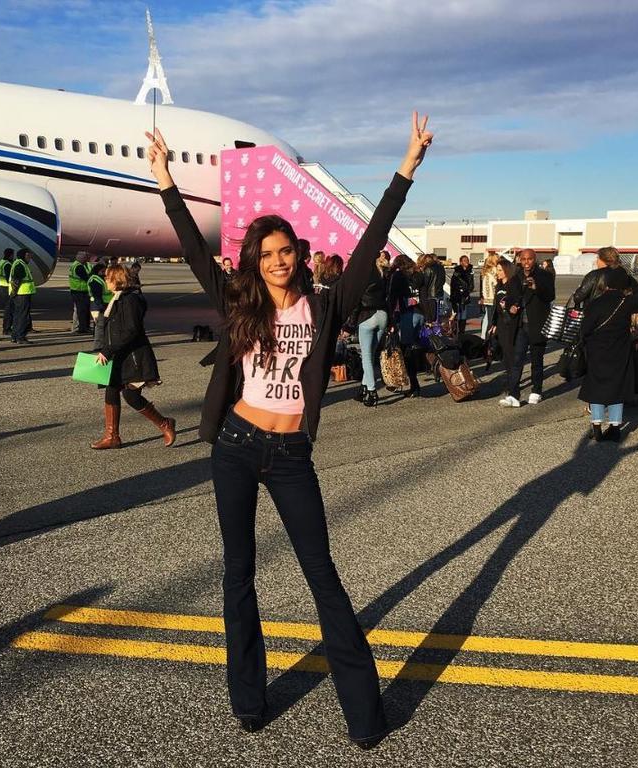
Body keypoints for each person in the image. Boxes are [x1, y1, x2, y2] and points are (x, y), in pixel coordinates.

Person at [146, 111, 432, 748]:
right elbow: (194, 248)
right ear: (254, 259)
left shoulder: (326, 303)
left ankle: (364, 714)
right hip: (237, 447)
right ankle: (249, 698)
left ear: (300, 254)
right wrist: (165, 181)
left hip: (292, 452)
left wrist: (405, 168)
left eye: (286, 252)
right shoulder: (238, 301)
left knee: (322, 576)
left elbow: (370, 241)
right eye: (266, 254)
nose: (277, 262)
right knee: (238, 574)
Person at [92, 264, 176, 449]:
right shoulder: (117, 298)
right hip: (118, 355)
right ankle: (112, 436)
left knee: (131, 396)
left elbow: (131, 330)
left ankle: (164, 423)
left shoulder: (131, 300)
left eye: (108, 278)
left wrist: (108, 350)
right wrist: (102, 348)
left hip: (133, 356)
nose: (106, 281)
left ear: (117, 279)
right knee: (111, 390)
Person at [579, 267, 638, 442]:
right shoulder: (627, 302)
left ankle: (597, 426)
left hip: (597, 350)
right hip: (620, 351)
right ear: (623, 284)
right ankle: (615, 427)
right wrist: (630, 281)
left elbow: (585, 329)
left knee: (597, 387)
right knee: (618, 388)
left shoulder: (596, 303)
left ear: (606, 283)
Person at [499, 248, 555, 407]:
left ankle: (536, 391)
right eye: (523, 259)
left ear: (534, 259)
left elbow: (550, 295)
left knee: (537, 360)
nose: (526, 263)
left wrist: (536, 288)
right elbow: (509, 298)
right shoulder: (515, 277)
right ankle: (514, 394)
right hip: (520, 325)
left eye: (529, 259)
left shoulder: (544, 275)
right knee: (517, 360)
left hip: (537, 324)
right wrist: (510, 307)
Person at [350, 250, 390, 406]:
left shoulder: (362, 277)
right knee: (371, 355)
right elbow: (388, 300)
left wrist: (350, 324)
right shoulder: (383, 277)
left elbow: (357, 302)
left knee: (365, 356)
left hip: (367, 316)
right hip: (383, 315)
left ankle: (371, 391)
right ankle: (364, 388)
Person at [387, 253, 424, 396]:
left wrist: (390, 317)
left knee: (405, 350)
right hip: (420, 312)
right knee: (416, 347)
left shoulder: (398, 276)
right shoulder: (418, 274)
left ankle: (413, 384)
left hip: (406, 314)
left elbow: (392, 297)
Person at [487, 258, 518, 395]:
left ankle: (513, 383)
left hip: (510, 323)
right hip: (500, 322)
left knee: (510, 354)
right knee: (504, 353)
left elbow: (517, 301)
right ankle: (509, 378)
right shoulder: (499, 285)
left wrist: (512, 307)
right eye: (497, 270)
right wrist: (493, 324)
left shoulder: (513, 284)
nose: (497, 273)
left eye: (500, 270)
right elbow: (495, 307)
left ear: (507, 271)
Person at [9, 248, 36, 344]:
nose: (30, 258)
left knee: (17, 315)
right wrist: (14, 292)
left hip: (21, 294)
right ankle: (21, 337)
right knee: (23, 316)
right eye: (28, 256)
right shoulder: (20, 265)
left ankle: (15, 336)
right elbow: (16, 280)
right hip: (22, 294)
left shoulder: (19, 263)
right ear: (23, 255)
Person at [89, 261, 112, 352]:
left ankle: (101, 344)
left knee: (101, 326)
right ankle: (98, 345)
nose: (104, 273)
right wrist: (101, 307)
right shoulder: (95, 280)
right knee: (100, 326)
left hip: (103, 305)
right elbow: (97, 295)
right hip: (98, 306)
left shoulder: (100, 279)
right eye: (103, 271)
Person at [450, 255, 474, 337]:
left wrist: (468, 291)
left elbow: (471, 284)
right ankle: (455, 330)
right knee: (457, 313)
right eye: (464, 260)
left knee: (464, 313)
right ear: (461, 262)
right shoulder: (457, 271)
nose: (466, 261)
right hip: (457, 295)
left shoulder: (470, 271)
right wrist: (457, 292)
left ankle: (462, 332)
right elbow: (453, 284)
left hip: (466, 295)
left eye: (467, 260)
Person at [69, 251, 93, 334]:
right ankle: (82, 328)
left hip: (77, 290)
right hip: (79, 291)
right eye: (85, 257)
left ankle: (83, 327)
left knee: (81, 310)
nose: (86, 259)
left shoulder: (76, 265)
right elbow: (86, 278)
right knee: (82, 310)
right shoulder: (79, 267)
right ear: (81, 258)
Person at [479, 253, 499, 339]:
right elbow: (496, 284)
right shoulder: (494, 270)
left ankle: (484, 337)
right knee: (492, 321)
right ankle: (489, 339)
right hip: (493, 298)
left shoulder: (485, 271)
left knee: (487, 319)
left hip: (487, 298)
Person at [0, 248, 15, 336]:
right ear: (10, 255)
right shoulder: (7, 264)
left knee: (8, 308)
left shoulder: (1, 262)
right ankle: (7, 328)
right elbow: (9, 279)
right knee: (9, 309)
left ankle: (7, 328)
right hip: (7, 288)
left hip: (1, 286)